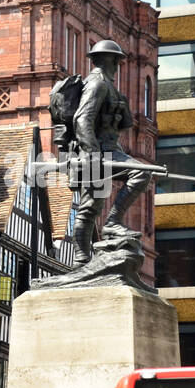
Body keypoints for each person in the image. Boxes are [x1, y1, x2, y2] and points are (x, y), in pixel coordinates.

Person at [68, 39, 150, 266]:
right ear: (111, 60)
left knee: (91, 205)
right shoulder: (97, 84)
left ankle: (83, 258)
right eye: (117, 60)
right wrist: (93, 155)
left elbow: (119, 126)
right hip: (98, 153)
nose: (118, 65)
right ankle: (91, 247)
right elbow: (82, 119)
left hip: (109, 151)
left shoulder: (107, 85)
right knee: (139, 173)